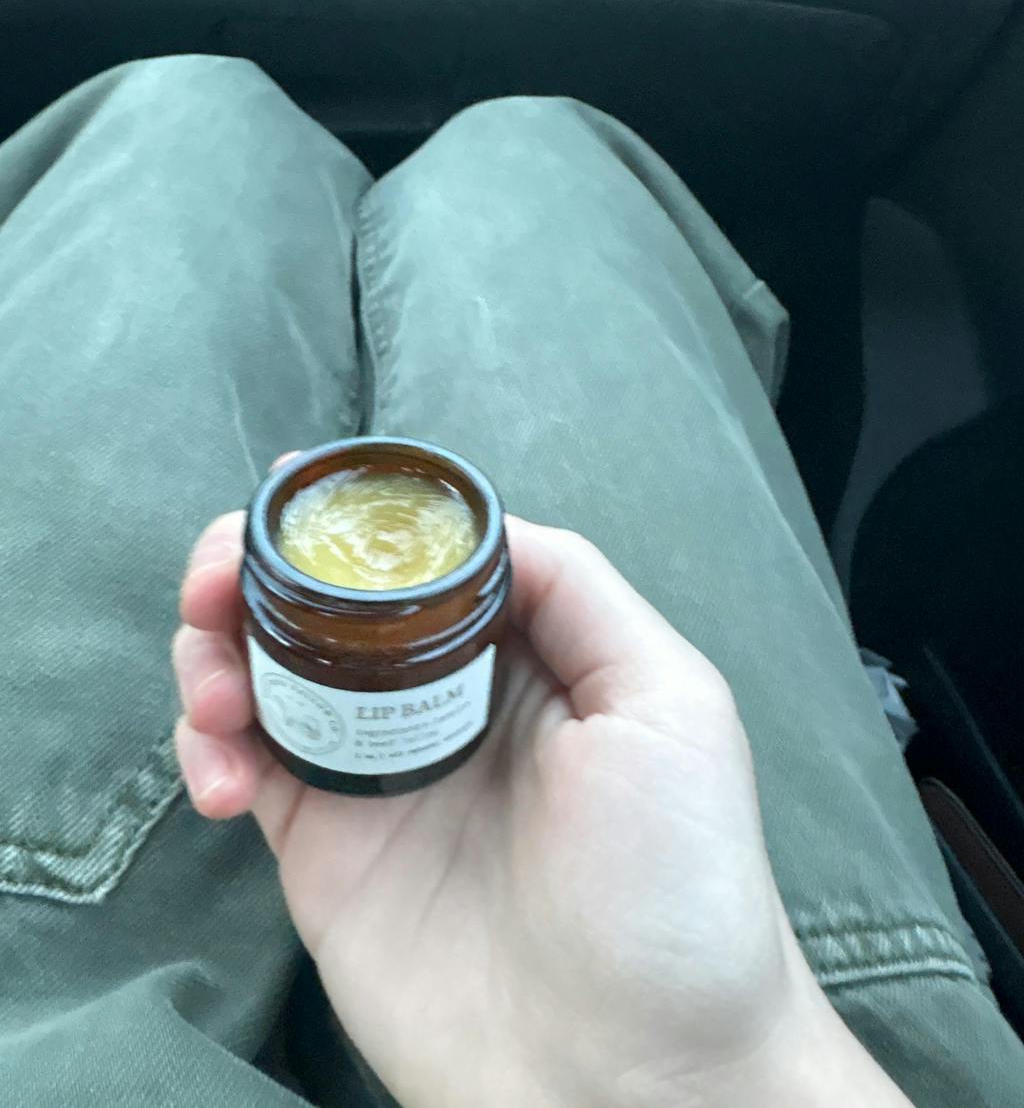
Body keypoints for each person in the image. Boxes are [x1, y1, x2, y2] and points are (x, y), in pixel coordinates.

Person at [0, 55, 1020, 1107]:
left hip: (42, 1002)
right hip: (849, 1034)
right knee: (526, 153)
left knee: (180, 108)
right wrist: (717, 1070)